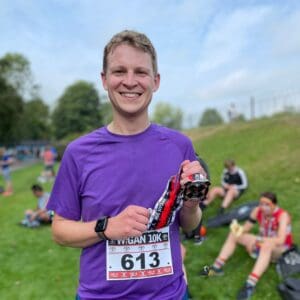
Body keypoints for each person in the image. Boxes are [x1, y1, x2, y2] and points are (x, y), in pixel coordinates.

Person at [47, 30, 207, 300]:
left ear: (155, 81)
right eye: (119, 71)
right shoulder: (78, 153)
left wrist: (191, 205)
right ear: (104, 79)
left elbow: (190, 225)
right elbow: (60, 230)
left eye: (141, 72)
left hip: (171, 295)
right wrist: (106, 227)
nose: (130, 82)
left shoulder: (180, 146)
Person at [199, 192, 294, 300]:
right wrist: (237, 228)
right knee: (234, 235)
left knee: (266, 246)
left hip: (281, 249)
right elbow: (247, 227)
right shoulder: (257, 210)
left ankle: (250, 284)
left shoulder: (282, 216)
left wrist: (257, 240)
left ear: (274, 205)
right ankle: (216, 267)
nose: (263, 207)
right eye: (261, 203)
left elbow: (280, 240)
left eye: (267, 204)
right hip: (262, 242)